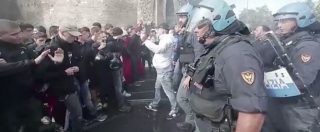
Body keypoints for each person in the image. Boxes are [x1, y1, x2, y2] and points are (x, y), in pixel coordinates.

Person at [185, 0, 267, 131]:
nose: (195, 30)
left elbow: (252, 112)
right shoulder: (217, 47)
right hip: (209, 122)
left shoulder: (237, 54)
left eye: (200, 24)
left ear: (218, 22)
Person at [262, 2, 320, 132]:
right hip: (286, 107)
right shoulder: (290, 43)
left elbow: (301, 81)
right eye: (279, 21)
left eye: (285, 21)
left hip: (302, 110)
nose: (279, 25)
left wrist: (266, 82)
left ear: (301, 20)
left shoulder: (308, 46)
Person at [0, 19, 64, 132]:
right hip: (7, 103)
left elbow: (39, 67)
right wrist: (31, 63)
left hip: (29, 97)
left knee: (34, 125)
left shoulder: (23, 47)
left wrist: (55, 63)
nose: (19, 36)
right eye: (14, 34)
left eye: (19, 32)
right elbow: (6, 69)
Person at [141, 23, 178, 120]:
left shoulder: (166, 39)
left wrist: (146, 41)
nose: (156, 31)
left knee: (168, 90)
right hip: (162, 68)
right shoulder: (166, 38)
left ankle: (175, 108)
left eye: (158, 29)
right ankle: (155, 103)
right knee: (157, 87)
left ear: (162, 30)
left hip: (164, 69)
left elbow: (158, 50)